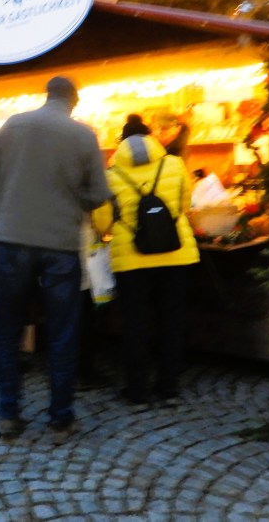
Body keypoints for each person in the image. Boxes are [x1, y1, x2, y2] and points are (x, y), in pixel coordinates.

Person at [0, 76, 111, 438]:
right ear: (74, 101)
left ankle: (8, 414)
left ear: (46, 96)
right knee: (63, 331)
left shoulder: (13, 125)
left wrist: (16, 188)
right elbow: (100, 194)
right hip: (61, 244)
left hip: (12, 238)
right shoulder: (84, 135)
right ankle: (60, 418)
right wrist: (71, 199)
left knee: (9, 328)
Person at [93, 132, 199, 408]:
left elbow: (102, 221)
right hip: (176, 255)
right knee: (172, 323)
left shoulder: (111, 174)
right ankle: (169, 389)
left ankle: (137, 391)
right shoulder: (175, 165)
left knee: (135, 325)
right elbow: (185, 205)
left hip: (131, 261)